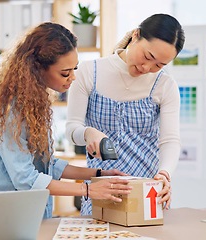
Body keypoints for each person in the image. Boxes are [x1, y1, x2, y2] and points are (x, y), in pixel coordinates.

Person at [0, 22, 132, 219]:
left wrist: (98, 174)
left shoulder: (33, 102)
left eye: (74, 69)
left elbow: (45, 164)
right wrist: (88, 190)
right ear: (37, 69)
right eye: (65, 73)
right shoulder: (10, 107)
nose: (73, 78)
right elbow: (25, 179)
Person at [66, 14, 185, 215]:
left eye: (159, 65)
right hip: (100, 194)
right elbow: (71, 129)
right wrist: (88, 133)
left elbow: (170, 140)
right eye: (148, 56)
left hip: (147, 195)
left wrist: (164, 174)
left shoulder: (165, 85)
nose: (147, 68)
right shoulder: (89, 72)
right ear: (136, 35)